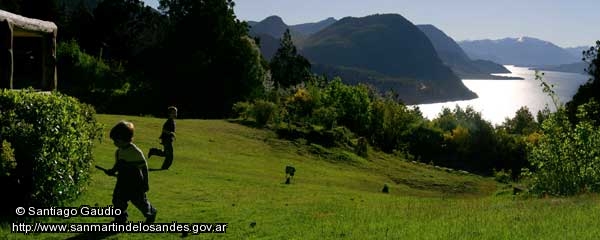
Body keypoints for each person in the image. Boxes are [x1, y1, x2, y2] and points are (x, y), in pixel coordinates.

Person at [105, 120, 157, 223]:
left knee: (139, 201)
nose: (114, 143)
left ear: (125, 139)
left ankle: (151, 212)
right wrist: (112, 171)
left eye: (116, 141)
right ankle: (120, 219)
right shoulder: (119, 151)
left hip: (135, 183)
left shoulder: (135, 152)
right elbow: (118, 165)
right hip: (122, 181)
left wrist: (145, 183)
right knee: (118, 200)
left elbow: (144, 168)